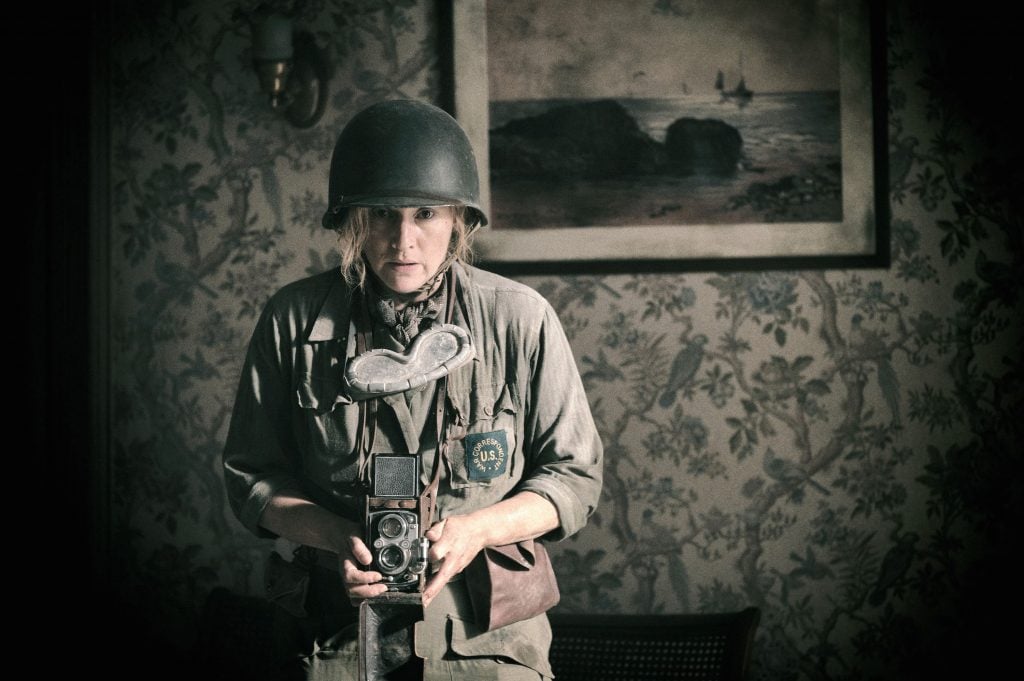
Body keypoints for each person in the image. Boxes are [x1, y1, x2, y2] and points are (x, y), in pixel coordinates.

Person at [222, 98, 603, 680]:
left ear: (458, 220)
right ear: (353, 220)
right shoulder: (292, 322)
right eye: (381, 214)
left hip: (487, 648)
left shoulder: (520, 319)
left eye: (425, 214)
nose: (404, 241)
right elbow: (253, 477)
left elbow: (573, 477)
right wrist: (336, 536)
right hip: (336, 642)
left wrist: (477, 531)